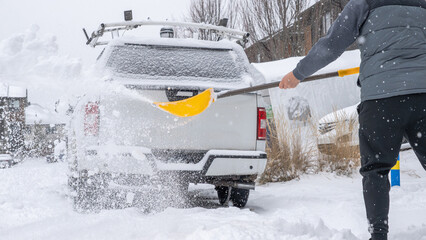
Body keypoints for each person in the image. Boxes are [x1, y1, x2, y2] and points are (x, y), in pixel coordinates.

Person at [279, 1, 426, 239]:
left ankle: (378, 234)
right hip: (423, 97)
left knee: (376, 171)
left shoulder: (364, 3)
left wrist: (298, 73)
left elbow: (332, 45)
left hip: (381, 99)